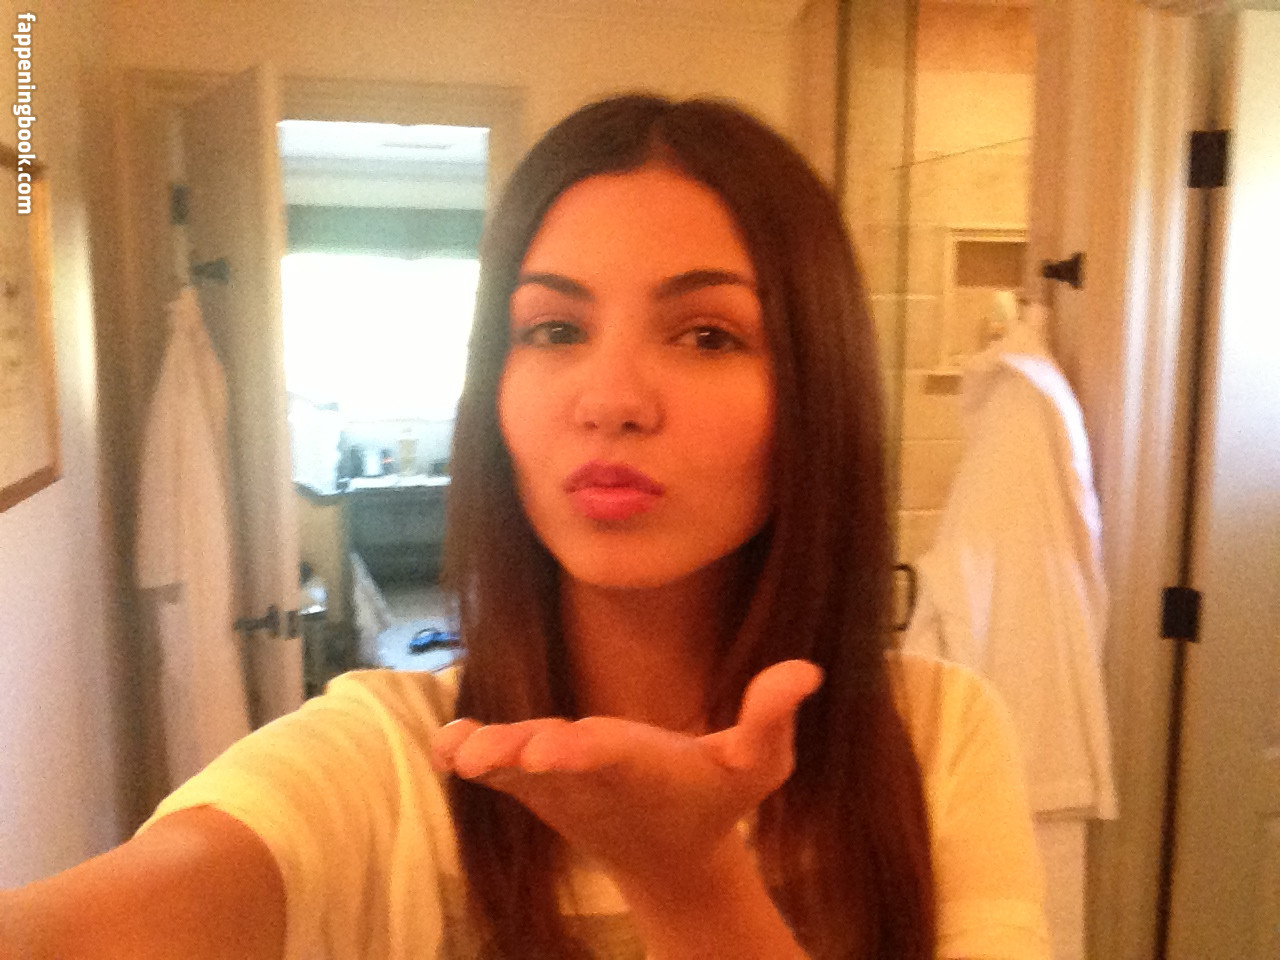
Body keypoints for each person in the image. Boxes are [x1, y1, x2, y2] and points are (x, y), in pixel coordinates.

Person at [0, 95, 1048, 960]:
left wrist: (688, 879)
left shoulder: (935, 740)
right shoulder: (390, 761)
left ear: (819, 390)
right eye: (551, 328)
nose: (610, 399)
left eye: (704, 334)